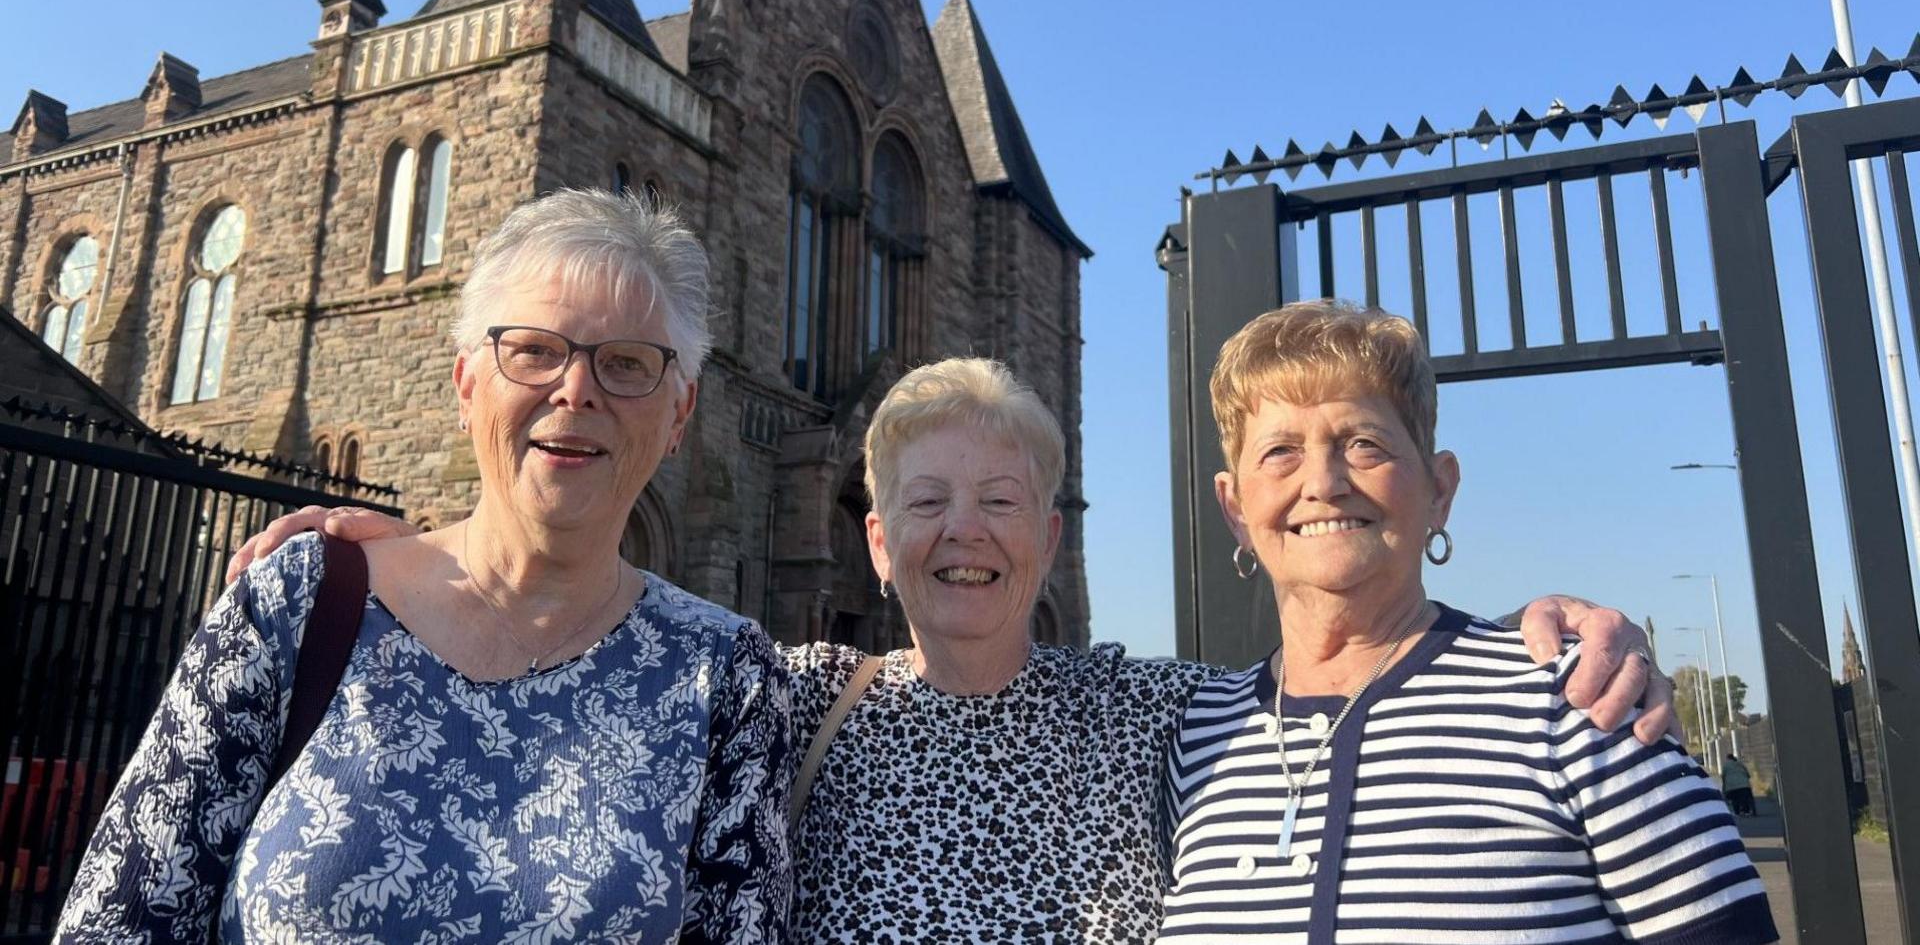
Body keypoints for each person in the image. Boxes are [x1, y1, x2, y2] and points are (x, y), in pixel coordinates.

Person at [224, 354, 1676, 941]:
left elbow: (1347, 657)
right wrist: (411, 540)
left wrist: (1551, 623)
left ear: (1047, 532)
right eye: (928, 501)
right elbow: (571, 632)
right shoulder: (778, 694)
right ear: (875, 537)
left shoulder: (1167, 707)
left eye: (1000, 500)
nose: (963, 532)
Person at [56, 190, 791, 942]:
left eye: (627, 364)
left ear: (679, 414)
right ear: (468, 383)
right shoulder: (298, 601)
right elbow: (118, 919)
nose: (576, 389)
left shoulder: (728, 678)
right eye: (535, 350)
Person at [1157, 300, 1775, 942]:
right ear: (1235, 509)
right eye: (1280, 451)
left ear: (1440, 488)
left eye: (1364, 444)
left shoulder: (1575, 697)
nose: (1324, 482)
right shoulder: (1200, 736)